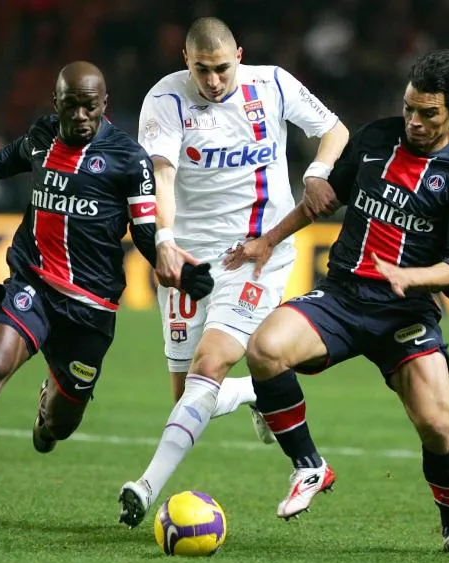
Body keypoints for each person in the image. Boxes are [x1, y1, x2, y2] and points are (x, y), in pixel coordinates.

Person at [0, 61, 213, 531]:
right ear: (55, 103)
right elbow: (6, 160)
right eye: (71, 105)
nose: (81, 115)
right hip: (33, 286)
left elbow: (146, 235)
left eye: (90, 106)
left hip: (90, 311)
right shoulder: (44, 136)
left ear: (105, 105)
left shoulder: (129, 160)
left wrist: (181, 273)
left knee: (60, 426)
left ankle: (47, 414)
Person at [227, 49, 449, 555]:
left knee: (438, 426)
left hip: (405, 314)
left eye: (428, 113)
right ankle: (309, 466)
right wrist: (268, 240)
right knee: (264, 349)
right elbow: (322, 200)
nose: (414, 120)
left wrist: (411, 277)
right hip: (343, 296)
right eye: (410, 107)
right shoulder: (375, 139)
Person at [118, 17, 349, 528]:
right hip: (191, 262)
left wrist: (315, 172)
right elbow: (163, 174)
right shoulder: (166, 101)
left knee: (210, 363)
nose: (215, 80)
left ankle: (145, 487)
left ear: (239, 56)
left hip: (255, 255)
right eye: (203, 69)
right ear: (186, 61)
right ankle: (258, 391)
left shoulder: (273, 85)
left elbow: (335, 131)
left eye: (223, 68)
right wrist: (165, 242)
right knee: (189, 398)